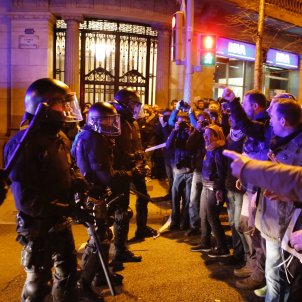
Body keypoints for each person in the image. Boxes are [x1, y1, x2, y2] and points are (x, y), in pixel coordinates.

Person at [4, 78, 89, 302]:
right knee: (39, 285)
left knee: (69, 274)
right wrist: (69, 209)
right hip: (37, 226)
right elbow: (28, 200)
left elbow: (68, 168)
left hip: (60, 220)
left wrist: (78, 182)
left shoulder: (58, 137)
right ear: (45, 106)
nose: (67, 109)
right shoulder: (23, 143)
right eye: (62, 104)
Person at [71, 102, 136, 298]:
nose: (110, 124)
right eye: (106, 120)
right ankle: (84, 284)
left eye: (111, 120)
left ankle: (101, 273)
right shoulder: (94, 139)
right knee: (99, 238)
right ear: (95, 121)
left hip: (93, 192)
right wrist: (129, 174)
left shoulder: (89, 135)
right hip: (94, 193)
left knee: (103, 235)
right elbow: (106, 175)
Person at [112, 88, 157, 241]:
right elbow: (115, 149)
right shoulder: (115, 122)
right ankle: (120, 247)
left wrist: (143, 162)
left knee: (143, 197)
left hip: (136, 167)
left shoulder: (132, 122)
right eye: (133, 105)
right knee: (122, 208)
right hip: (123, 169)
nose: (135, 109)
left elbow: (137, 144)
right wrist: (130, 159)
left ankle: (141, 228)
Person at [191, 124, 230, 257]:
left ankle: (222, 247)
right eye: (205, 135)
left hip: (213, 188)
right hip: (205, 186)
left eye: (208, 135)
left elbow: (221, 172)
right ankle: (205, 242)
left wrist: (219, 189)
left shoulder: (218, 151)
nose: (205, 137)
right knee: (203, 216)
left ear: (216, 135)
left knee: (212, 218)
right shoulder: (209, 149)